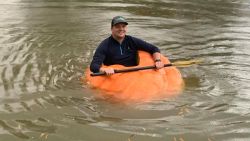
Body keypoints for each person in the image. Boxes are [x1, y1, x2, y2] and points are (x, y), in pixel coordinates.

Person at [90, 16, 164, 75]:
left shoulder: (132, 40)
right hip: (115, 75)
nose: (121, 29)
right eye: (117, 26)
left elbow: (154, 48)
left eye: (123, 26)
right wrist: (104, 69)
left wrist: (158, 60)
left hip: (134, 74)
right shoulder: (105, 45)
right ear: (112, 29)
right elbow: (94, 66)